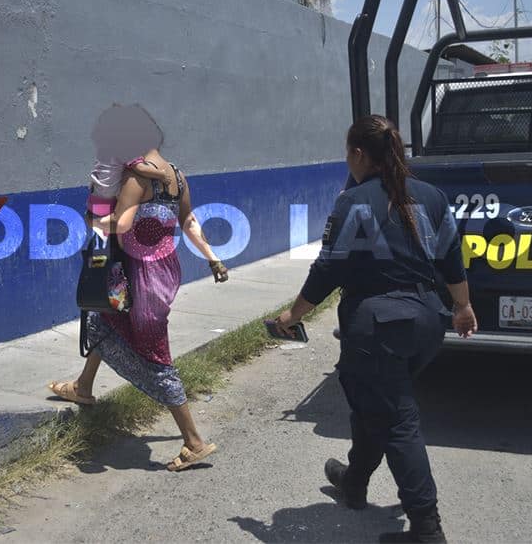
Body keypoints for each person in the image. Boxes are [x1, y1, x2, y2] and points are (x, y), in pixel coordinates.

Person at [272, 114, 477, 543]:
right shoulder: (433, 197)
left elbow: (329, 268)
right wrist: (462, 307)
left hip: (378, 326)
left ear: (359, 154)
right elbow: (451, 262)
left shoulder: (354, 201)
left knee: (396, 420)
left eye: (348, 154)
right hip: (426, 321)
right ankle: (354, 482)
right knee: (376, 403)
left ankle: (427, 528)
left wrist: (293, 316)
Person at [49, 104, 228, 471]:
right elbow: (190, 220)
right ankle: (83, 388)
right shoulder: (177, 175)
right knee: (105, 322)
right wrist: (212, 257)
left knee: (155, 356)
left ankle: (193, 441)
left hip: (142, 279)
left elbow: (120, 224)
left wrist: (92, 217)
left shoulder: (137, 179)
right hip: (164, 271)